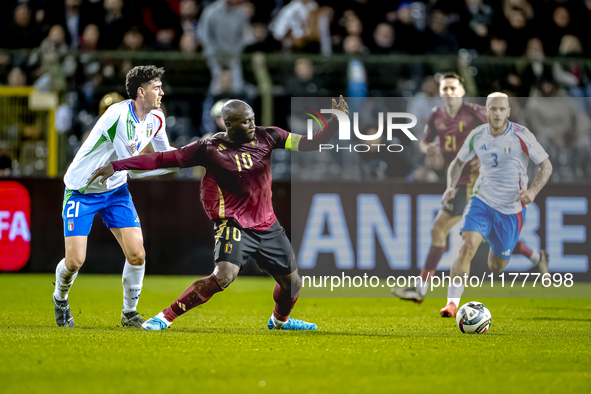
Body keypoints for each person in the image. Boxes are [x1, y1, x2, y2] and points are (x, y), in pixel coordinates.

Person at [88, 96, 349, 331]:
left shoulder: (270, 136)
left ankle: (279, 321)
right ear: (228, 125)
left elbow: (311, 143)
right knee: (224, 275)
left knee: (293, 284)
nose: (251, 126)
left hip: (267, 225)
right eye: (245, 122)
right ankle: (164, 318)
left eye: (252, 120)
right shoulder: (209, 149)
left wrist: (336, 122)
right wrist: (117, 165)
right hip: (233, 224)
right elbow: (160, 159)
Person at [393, 72, 547, 304]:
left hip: (475, 183)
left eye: (453, 88)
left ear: (462, 91)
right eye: (445, 89)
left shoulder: (476, 112)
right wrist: (428, 150)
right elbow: (425, 142)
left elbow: (497, 136)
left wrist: (483, 156)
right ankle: (536, 256)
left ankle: (422, 288)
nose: (449, 93)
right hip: (460, 181)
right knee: (484, 237)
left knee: (440, 229)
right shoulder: (436, 116)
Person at [52, 65, 177, 328]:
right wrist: (177, 163)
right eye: (157, 88)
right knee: (74, 261)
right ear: (141, 92)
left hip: (115, 190)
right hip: (82, 190)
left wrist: (191, 156)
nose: (162, 93)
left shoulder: (157, 118)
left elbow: (167, 156)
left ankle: (129, 313)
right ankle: (60, 298)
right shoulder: (117, 116)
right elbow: (135, 169)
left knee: (137, 255)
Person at [439, 92, 553, 317]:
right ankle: (451, 304)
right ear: (486, 110)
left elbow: (546, 166)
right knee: (467, 247)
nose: (498, 113)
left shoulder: (521, 135)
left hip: (511, 210)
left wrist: (532, 191)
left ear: (508, 112)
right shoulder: (477, 135)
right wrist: (451, 185)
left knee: (496, 266)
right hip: (482, 201)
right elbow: (457, 163)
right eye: (493, 109)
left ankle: (537, 256)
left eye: (502, 109)